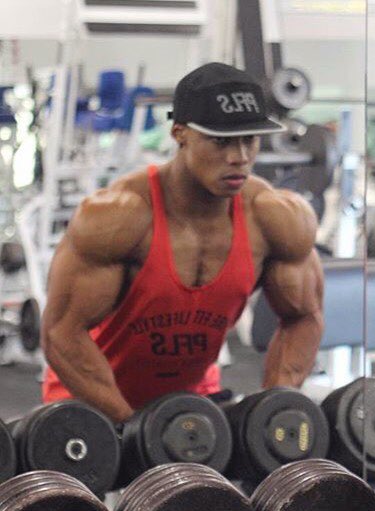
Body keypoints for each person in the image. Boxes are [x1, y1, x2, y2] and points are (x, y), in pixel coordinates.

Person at [41, 62, 324, 423]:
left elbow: (304, 317)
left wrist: (270, 412)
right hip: (89, 402)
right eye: (220, 141)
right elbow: (60, 333)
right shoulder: (119, 217)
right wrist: (130, 428)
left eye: (249, 139)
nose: (238, 157)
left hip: (190, 404)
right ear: (179, 133)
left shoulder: (275, 218)